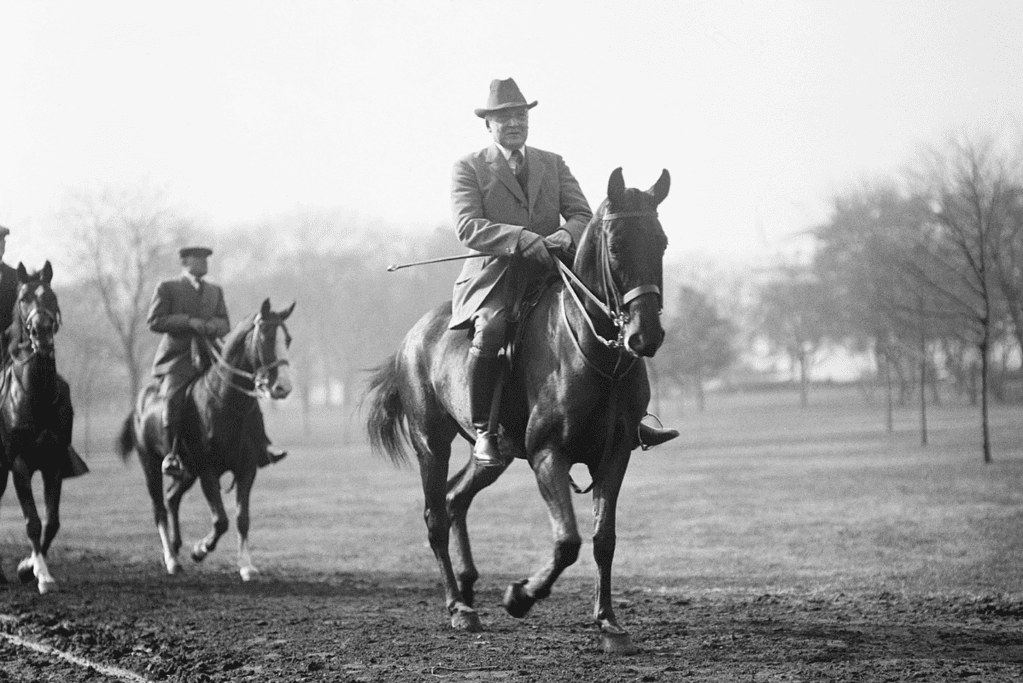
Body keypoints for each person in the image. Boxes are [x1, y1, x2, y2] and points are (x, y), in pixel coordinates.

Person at [450, 78, 678, 467]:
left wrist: (561, 234)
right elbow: (468, 226)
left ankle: (632, 420)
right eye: (504, 118)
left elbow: (583, 216)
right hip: (496, 278)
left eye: (520, 116)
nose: (514, 124)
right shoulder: (469, 167)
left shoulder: (552, 163)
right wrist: (523, 239)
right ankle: (485, 431)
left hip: (555, 268)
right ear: (488, 124)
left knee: (612, 320)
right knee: (491, 329)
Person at [147, 246, 286, 478]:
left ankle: (263, 445)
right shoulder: (167, 288)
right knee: (173, 398)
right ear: (185, 262)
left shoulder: (214, 291)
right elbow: (155, 320)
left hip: (212, 354)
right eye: (199, 259)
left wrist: (213, 326)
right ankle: (171, 455)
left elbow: (225, 323)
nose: (204, 263)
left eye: (206, 260)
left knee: (244, 390)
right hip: (178, 358)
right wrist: (189, 321)